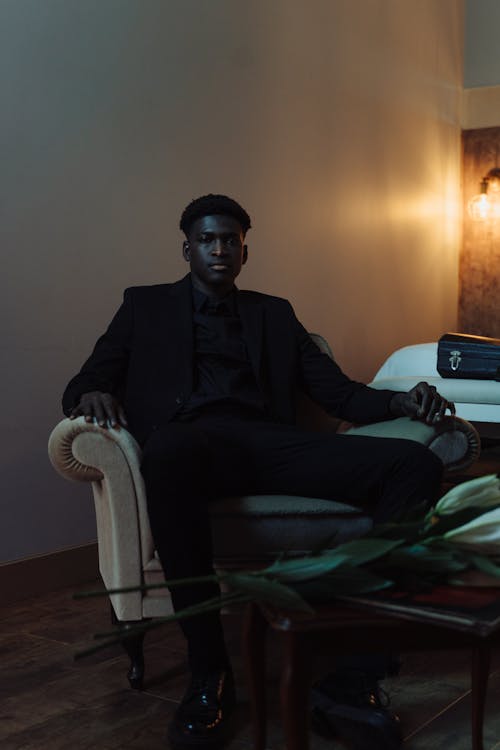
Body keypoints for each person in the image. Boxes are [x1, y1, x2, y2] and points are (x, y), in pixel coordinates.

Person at [63, 194, 454, 750]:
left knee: (413, 464)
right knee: (168, 454)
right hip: (190, 446)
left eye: (230, 240)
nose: (219, 248)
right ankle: (209, 673)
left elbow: (336, 392)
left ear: (245, 252)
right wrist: (93, 391)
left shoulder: (275, 313)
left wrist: (401, 404)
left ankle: (352, 677)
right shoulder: (142, 307)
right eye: (207, 240)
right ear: (187, 249)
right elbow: (84, 380)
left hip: (273, 447)